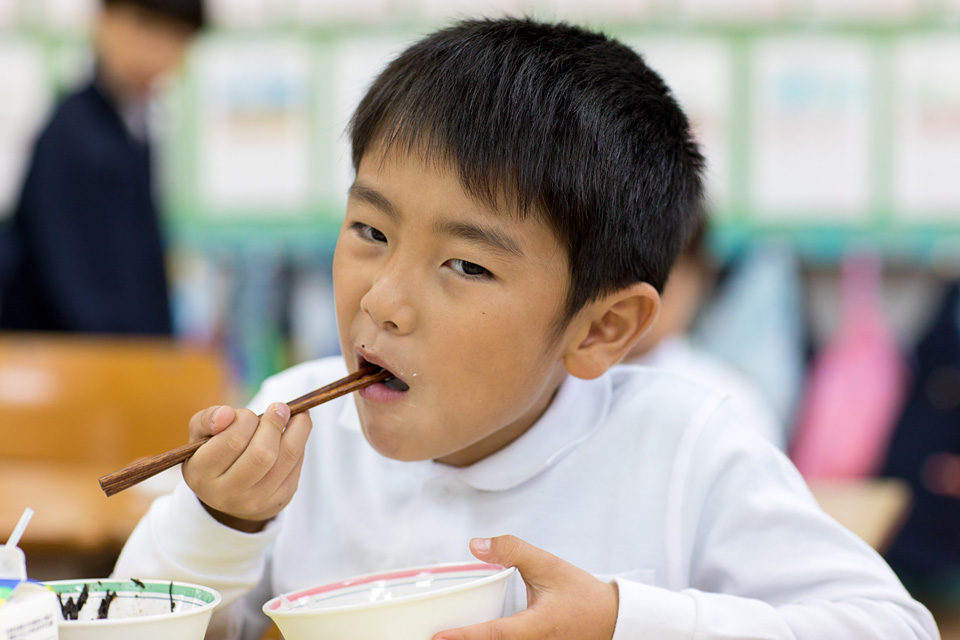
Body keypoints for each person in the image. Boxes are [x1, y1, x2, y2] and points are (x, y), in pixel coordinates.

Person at [113, 18, 939, 640]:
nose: (384, 300)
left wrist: (621, 620)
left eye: (466, 266)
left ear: (602, 329)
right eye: (370, 230)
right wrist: (221, 522)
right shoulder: (298, 430)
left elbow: (892, 626)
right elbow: (125, 624)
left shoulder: (684, 447)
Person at [0, 0, 204, 334]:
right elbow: (73, 289)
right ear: (105, 21)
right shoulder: (70, 133)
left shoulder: (135, 129)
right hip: (75, 357)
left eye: (176, 39)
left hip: (124, 353)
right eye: (146, 29)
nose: (157, 54)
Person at [624, 221, 786, 449]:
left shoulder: (729, 405)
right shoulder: (573, 386)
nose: (630, 297)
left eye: (651, 276)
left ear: (696, 278)